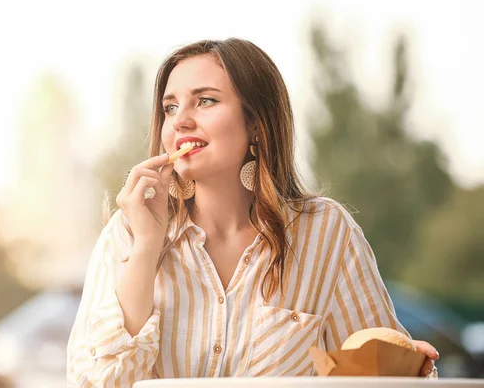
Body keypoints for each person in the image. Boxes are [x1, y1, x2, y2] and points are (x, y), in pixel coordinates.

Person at [66, 38, 439, 387]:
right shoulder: (128, 233)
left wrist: (403, 370)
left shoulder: (326, 232)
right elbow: (96, 382)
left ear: (256, 124)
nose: (180, 120)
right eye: (170, 107)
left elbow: (370, 367)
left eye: (206, 101)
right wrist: (147, 246)